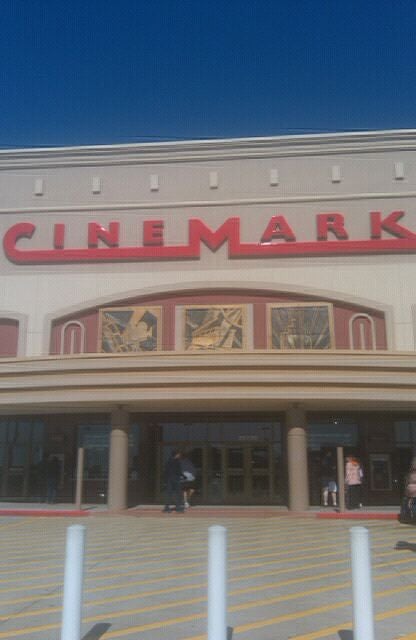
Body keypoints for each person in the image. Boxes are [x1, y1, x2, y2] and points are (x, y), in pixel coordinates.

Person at [400, 457, 416, 523]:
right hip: (410, 495)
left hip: (412, 495)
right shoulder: (410, 474)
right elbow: (407, 483)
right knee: (410, 506)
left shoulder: (411, 474)